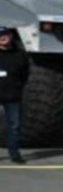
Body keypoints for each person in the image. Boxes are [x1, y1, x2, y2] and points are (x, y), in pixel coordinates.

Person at [0, 25, 29, 164]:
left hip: (13, 96)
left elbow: (25, 74)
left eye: (5, 34)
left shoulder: (20, 54)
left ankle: (15, 154)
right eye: (0, 35)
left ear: (11, 36)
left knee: (14, 126)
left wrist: (17, 87)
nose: (2, 37)